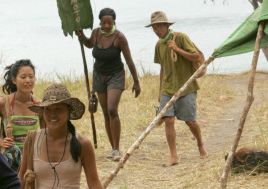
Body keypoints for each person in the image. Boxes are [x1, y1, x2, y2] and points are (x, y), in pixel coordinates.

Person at [76, 8, 141, 160]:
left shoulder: (119, 37)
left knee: (112, 109)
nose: (106, 26)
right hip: (99, 75)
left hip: (116, 75)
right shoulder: (96, 33)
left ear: (114, 22)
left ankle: (117, 149)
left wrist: (136, 82)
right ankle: (112, 148)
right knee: (105, 112)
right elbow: (89, 44)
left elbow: (129, 60)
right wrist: (82, 36)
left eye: (109, 23)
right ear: (100, 22)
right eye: (104, 22)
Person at [145, 11, 208, 166]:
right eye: (153, 28)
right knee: (168, 120)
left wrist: (177, 49)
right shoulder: (159, 45)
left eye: (158, 27)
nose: (156, 31)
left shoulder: (180, 38)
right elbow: (163, 69)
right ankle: (173, 156)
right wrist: (160, 92)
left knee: (190, 121)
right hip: (168, 89)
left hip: (186, 87)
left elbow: (196, 57)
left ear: (167, 26)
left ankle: (200, 145)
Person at [0, 59, 42, 154]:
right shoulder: (2, 103)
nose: (28, 80)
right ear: (14, 80)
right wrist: (1, 142)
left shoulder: (40, 105)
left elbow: (46, 134)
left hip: (32, 158)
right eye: (23, 77)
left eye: (31, 77)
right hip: (9, 160)